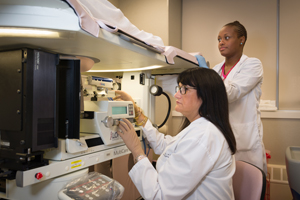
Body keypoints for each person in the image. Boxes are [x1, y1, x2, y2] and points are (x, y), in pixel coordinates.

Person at [114, 67, 236, 200]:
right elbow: (165, 146)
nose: (176, 95)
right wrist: (139, 115)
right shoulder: (200, 128)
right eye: (178, 89)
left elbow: (159, 196)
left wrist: (137, 151)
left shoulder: (203, 136)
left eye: (184, 89)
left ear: (205, 94)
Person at [212, 20, 267, 173]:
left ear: (241, 40)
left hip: (245, 141)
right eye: (219, 39)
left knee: (248, 190)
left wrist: (208, 79)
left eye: (226, 38)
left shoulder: (253, 65)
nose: (221, 42)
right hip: (220, 138)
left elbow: (231, 93)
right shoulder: (216, 69)